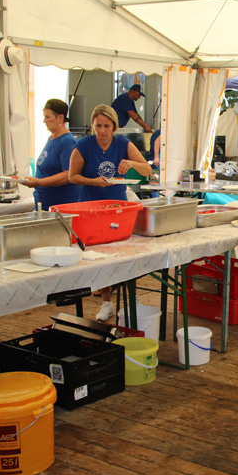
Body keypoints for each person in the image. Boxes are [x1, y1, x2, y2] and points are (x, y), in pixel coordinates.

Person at [69, 104, 152, 322]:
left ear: (114, 126)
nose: (102, 130)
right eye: (98, 126)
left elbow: (147, 169)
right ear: (92, 126)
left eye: (106, 126)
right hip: (92, 208)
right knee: (98, 257)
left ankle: (131, 297)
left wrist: (131, 163)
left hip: (117, 208)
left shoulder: (123, 143)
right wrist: (93, 181)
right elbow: (72, 176)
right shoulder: (83, 145)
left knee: (124, 252)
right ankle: (106, 302)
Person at [23, 99, 81, 209]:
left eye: (48, 117)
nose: (44, 121)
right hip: (45, 203)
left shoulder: (67, 141)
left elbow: (68, 174)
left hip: (61, 205)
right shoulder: (52, 138)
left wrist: (39, 182)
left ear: (60, 118)